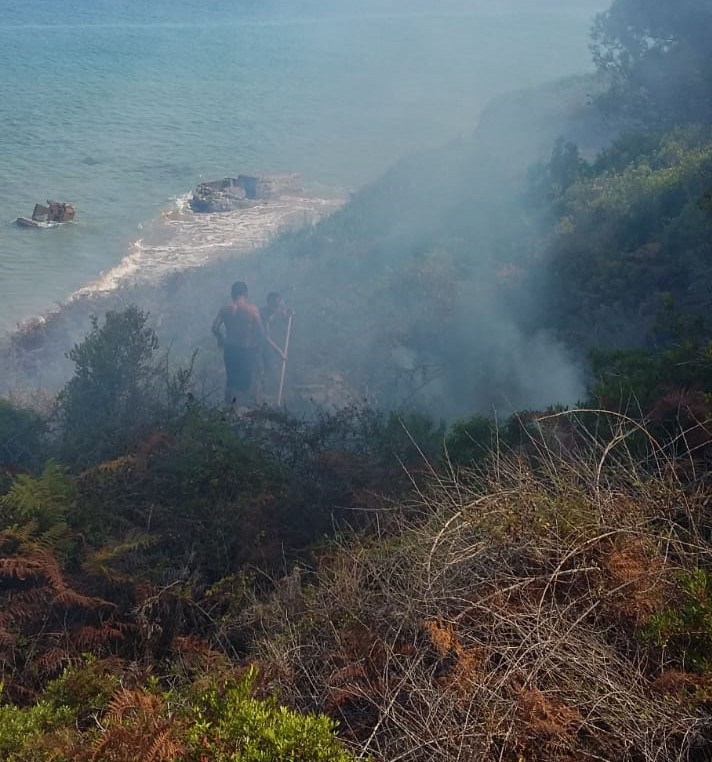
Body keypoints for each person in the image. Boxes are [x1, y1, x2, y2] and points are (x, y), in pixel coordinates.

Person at [212, 281, 263, 407]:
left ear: (232, 294)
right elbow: (261, 331)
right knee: (245, 381)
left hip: (229, 349)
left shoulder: (225, 310)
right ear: (246, 294)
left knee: (231, 380)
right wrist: (258, 345)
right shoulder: (252, 310)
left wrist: (220, 338)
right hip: (245, 350)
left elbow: (214, 327)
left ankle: (228, 409)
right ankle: (240, 409)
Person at [258, 292, 291, 403]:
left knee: (271, 369)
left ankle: (275, 396)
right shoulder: (263, 315)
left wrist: (289, 314)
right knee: (261, 370)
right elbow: (266, 337)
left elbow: (285, 314)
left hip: (267, 344)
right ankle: (260, 397)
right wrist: (280, 352)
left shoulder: (278, 309)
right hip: (255, 344)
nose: (280, 308)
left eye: (281, 305)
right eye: (277, 306)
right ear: (270, 304)